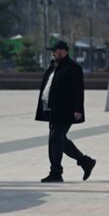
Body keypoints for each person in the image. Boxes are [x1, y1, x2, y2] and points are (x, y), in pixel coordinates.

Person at [35, 40, 96, 183]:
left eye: (56, 51)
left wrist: (78, 110)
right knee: (59, 140)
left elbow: (78, 91)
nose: (54, 53)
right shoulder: (53, 66)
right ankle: (85, 162)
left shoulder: (73, 67)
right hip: (51, 109)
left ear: (64, 51)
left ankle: (56, 173)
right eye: (54, 52)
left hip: (66, 110)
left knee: (55, 139)